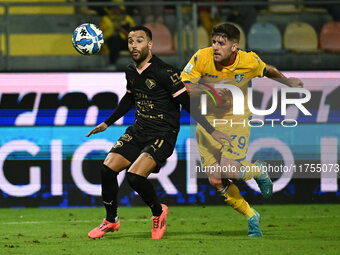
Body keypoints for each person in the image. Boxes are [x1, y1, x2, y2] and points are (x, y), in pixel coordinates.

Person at [86, 25, 230, 240]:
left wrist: (211, 130)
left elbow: (187, 103)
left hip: (163, 133)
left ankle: (158, 211)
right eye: (131, 41)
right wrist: (108, 122)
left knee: (135, 177)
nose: (134, 45)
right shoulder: (131, 71)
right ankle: (111, 220)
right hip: (139, 129)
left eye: (139, 41)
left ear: (150, 44)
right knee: (107, 169)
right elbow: (129, 98)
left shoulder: (165, 72)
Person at [181, 22, 303, 237]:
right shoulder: (201, 57)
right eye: (214, 42)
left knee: (228, 170)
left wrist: (287, 82)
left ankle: (258, 170)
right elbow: (185, 87)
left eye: (222, 43)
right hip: (207, 125)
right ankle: (251, 215)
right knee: (216, 180)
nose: (216, 47)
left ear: (234, 47)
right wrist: (212, 90)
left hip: (236, 120)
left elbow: (266, 70)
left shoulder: (248, 60)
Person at [99, 4, 136, 70]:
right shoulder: (106, 19)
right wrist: (113, 29)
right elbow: (102, 34)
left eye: (118, 8)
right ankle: (112, 64)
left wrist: (122, 29)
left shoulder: (128, 19)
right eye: (114, 8)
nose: (116, 10)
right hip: (111, 42)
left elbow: (135, 34)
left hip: (125, 41)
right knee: (114, 41)